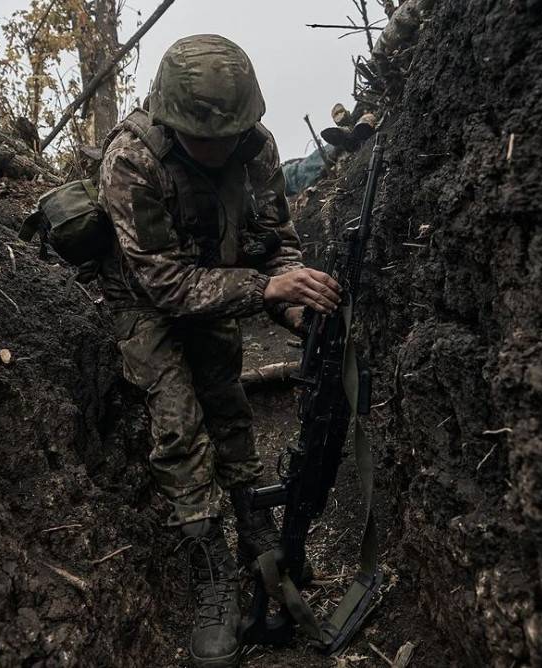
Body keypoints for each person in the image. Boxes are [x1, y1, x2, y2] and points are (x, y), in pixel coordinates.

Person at [97, 34, 340, 667]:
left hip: (220, 287)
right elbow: (166, 285)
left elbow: (273, 240)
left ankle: (255, 537)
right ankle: (208, 569)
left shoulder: (254, 147)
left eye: (233, 133)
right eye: (208, 138)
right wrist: (265, 288)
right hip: (146, 301)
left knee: (230, 410)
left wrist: (292, 302)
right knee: (179, 427)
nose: (223, 148)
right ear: (171, 123)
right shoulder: (131, 159)